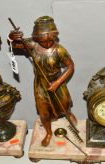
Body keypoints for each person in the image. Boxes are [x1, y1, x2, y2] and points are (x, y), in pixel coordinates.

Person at [8, 16, 77, 146]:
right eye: (42, 41)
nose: (46, 43)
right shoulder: (32, 46)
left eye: (50, 40)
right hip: (40, 84)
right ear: (36, 38)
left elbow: (70, 66)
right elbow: (13, 45)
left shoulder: (59, 50)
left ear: (54, 37)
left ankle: (68, 113)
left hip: (57, 82)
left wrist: (57, 83)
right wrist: (11, 37)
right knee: (44, 112)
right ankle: (48, 132)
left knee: (64, 103)